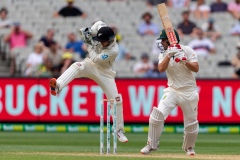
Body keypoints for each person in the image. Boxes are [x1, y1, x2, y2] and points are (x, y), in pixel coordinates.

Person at [49, 21, 128, 143]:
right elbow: (97, 24)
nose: (101, 43)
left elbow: (96, 58)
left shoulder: (114, 50)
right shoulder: (101, 27)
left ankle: (119, 131)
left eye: (103, 41)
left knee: (116, 99)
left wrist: (88, 43)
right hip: (90, 64)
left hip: (104, 72)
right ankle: (58, 86)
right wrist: (89, 32)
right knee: (77, 65)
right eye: (100, 40)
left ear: (111, 40)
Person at [140, 29, 199, 156]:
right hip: (172, 90)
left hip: (189, 91)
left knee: (191, 123)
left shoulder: (187, 50)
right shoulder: (163, 53)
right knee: (157, 115)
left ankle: (189, 147)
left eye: (163, 40)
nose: (161, 42)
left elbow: (196, 68)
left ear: (170, 40)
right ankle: (151, 144)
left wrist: (184, 61)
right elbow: (161, 69)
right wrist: (169, 54)